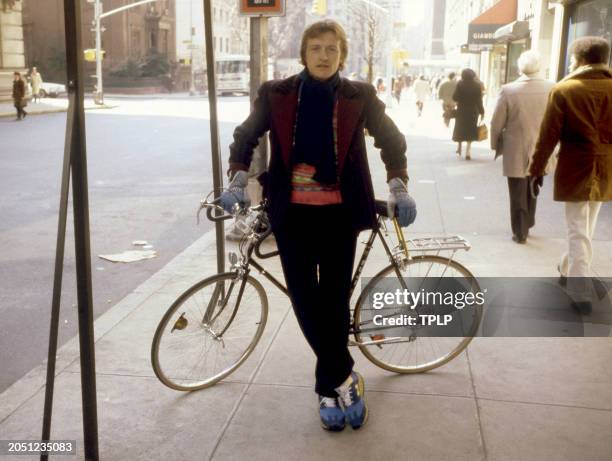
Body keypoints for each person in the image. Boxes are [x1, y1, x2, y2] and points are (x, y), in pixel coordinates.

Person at [220, 20, 416, 432]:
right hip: (293, 216)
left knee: (332, 303)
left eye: (331, 48)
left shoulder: (358, 95)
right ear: (303, 54)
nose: (324, 55)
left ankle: (329, 390)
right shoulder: (277, 94)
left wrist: (397, 183)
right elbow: (246, 135)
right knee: (306, 302)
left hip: (339, 217)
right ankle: (344, 377)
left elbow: (390, 138)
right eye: (315, 48)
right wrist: (237, 176)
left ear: (342, 55)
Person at [529, 36, 612, 314]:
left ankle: (580, 292)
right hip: (605, 169)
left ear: (579, 59)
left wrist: (536, 169)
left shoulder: (565, 90)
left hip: (576, 167)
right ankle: (567, 266)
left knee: (578, 229)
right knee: (584, 228)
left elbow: (547, 137)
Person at [490, 51, 555, 244]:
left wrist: (495, 144)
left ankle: (520, 231)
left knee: (517, 190)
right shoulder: (552, 88)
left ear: (520, 68)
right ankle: (529, 221)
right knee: (533, 185)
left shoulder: (509, 90)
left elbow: (496, 123)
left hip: (516, 148)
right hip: (542, 147)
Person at [452, 68, 484, 160]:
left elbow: (454, 97)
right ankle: (468, 152)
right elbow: (479, 101)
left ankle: (459, 147)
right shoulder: (477, 86)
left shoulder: (460, 84)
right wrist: (482, 112)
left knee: (460, 128)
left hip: (461, 110)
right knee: (470, 130)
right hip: (473, 111)